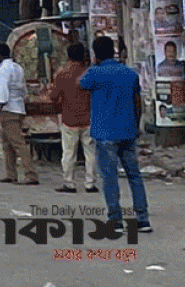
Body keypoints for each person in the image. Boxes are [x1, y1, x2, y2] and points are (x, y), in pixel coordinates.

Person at [78, 36, 152, 232]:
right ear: (114, 51)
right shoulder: (129, 73)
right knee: (134, 175)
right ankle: (143, 219)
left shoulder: (94, 73)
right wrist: (135, 126)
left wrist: (92, 63)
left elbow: (81, 84)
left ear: (95, 53)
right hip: (128, 130)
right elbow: (137, 102)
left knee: (109, 178)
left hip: (105, 133)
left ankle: (116, 220)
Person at [48, 42, 98, 194]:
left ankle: (69, 183)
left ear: (69, 57)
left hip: (69, 118)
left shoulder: (62, 74)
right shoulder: (89, 73)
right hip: (89, 118)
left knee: (69, 153)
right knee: (90, 153)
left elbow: (53, 96)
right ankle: (90, 183)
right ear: (83, 55)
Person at [0, 41, 38, 185]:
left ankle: (30, 173)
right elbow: (23, 88)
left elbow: (3, 93)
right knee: (7, 144)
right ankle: (11, 173)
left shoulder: (3, 71)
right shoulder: (17, 68)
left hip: (8, 109)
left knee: (18, 143)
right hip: (18, 107)